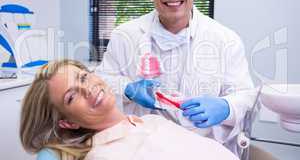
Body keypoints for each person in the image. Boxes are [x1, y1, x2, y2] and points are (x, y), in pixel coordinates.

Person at [96, 0, 257, 157]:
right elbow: (100, 83)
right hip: (142, 150)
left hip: (205, 151)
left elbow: (247, 97)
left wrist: (226, 107)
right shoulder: (125, 35)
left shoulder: (225, 39)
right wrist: (127, 89)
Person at [20, 59, 239, 160]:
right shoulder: (105, 155)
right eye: (72, 95)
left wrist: (229, 107)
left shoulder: (153, 120)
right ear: (68, 123)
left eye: (84, 77)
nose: (87, 89)